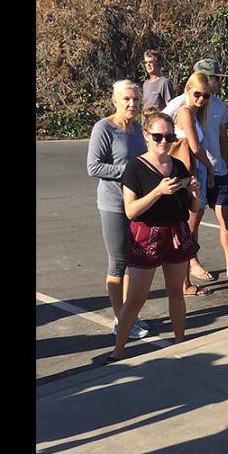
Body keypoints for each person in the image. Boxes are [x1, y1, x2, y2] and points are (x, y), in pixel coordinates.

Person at [107, 111, 203, 364]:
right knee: (137, 298)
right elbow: (130, 210)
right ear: (146, 136)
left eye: (169, 136)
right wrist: (158, 191)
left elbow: (193, 208)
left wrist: (195, 193)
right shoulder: (135, 167)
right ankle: (118, 351)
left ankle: (180, 343)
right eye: (158, 136)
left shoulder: (178, 165)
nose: (164, 141)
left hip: (176, 233)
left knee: (176, 292)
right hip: (146, 235)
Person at [164, 59, 228, 283]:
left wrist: (223, 164)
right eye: (214, 77)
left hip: (216, 170)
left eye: (218, 78)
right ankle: (192, 264)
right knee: (193, 220)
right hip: (196, 170)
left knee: (225, 215)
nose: (217, 82)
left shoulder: (213, 105)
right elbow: (157, 123)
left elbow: (221, 136)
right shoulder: (181, 105)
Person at [86, 79, 151, 339]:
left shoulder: (138, 130)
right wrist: (128, 171)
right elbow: (94, 167)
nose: (132, 104)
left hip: (136, 205)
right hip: (113, 204)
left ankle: (128, 314)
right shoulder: (104, 128)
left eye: (136, 99)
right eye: (126, 99)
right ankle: (119, 320)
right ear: (114, 101)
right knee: (118, 262)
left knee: (135, 262)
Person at [164, 71, 217, 295]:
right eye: (197, 94)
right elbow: (195, 148)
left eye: (206, 96)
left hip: (196, 175)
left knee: (190, 230)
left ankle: (184, 280)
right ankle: (184, 283)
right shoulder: (185, 112)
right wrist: (212, 167)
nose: (201, 100)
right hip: (190, 176)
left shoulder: (196, 114)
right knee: (188, 230)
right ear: (187, 90)